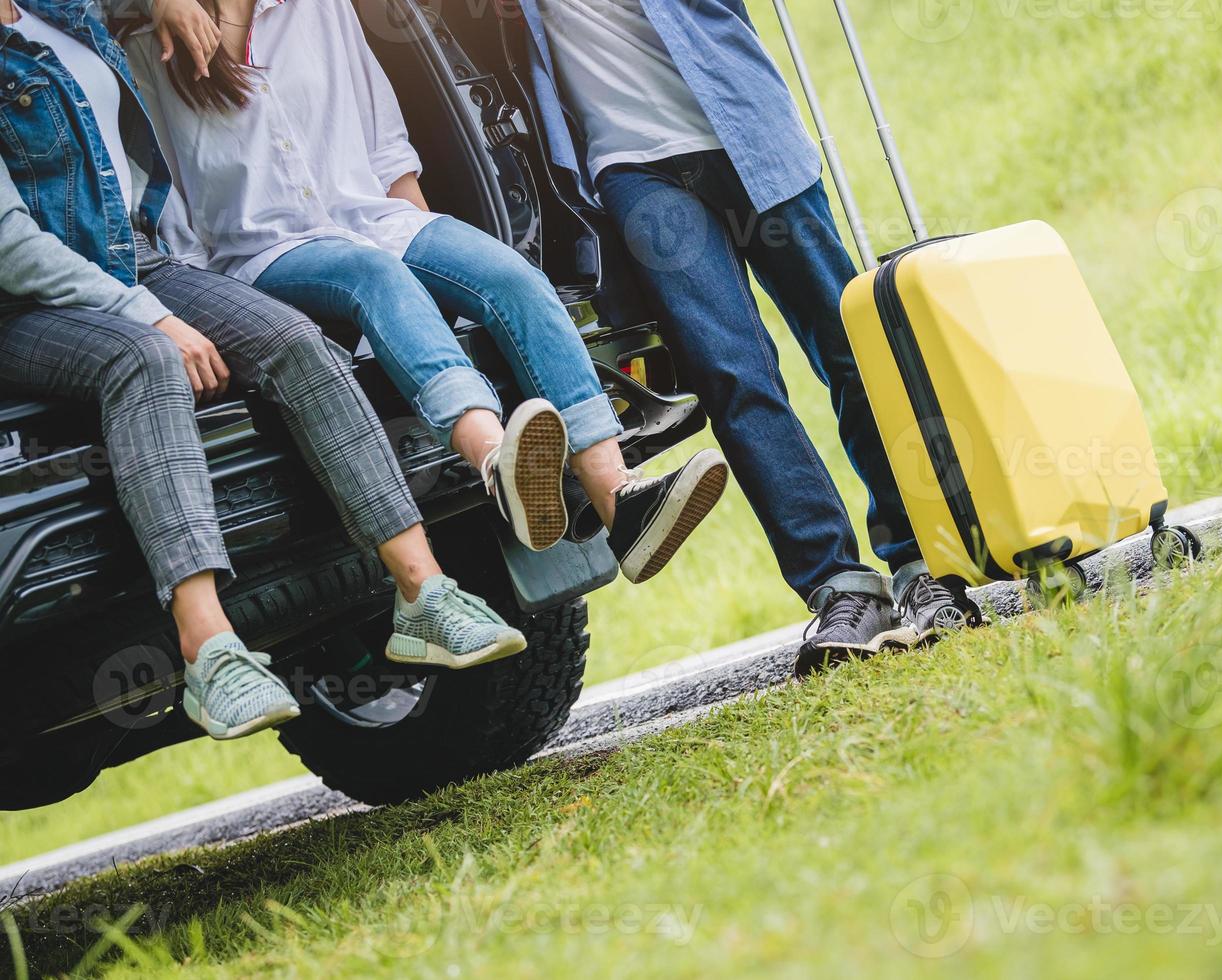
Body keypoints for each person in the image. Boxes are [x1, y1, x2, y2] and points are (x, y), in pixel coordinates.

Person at [0, 0, 535, 741]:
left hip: (136, 259)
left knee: (293, 339)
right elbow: (10, 245)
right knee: (147, 361)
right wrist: (148, 313)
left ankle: (425, 593)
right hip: (21, 304)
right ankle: (210, 651)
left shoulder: (58, 13)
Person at [122, 0, 729, 588]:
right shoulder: (147, 42)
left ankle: (617, 499)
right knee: (374, 276)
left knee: (509, 277)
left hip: (374, 218)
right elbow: (167, 209)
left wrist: (437, 252)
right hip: (260, 256)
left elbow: (382, 133)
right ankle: (498, 463)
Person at [516, 0, 985, 673]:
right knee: (733, 377)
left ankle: (921, 558)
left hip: (745, 132)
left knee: (851, 349)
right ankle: (837, 586)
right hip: (633, 173)